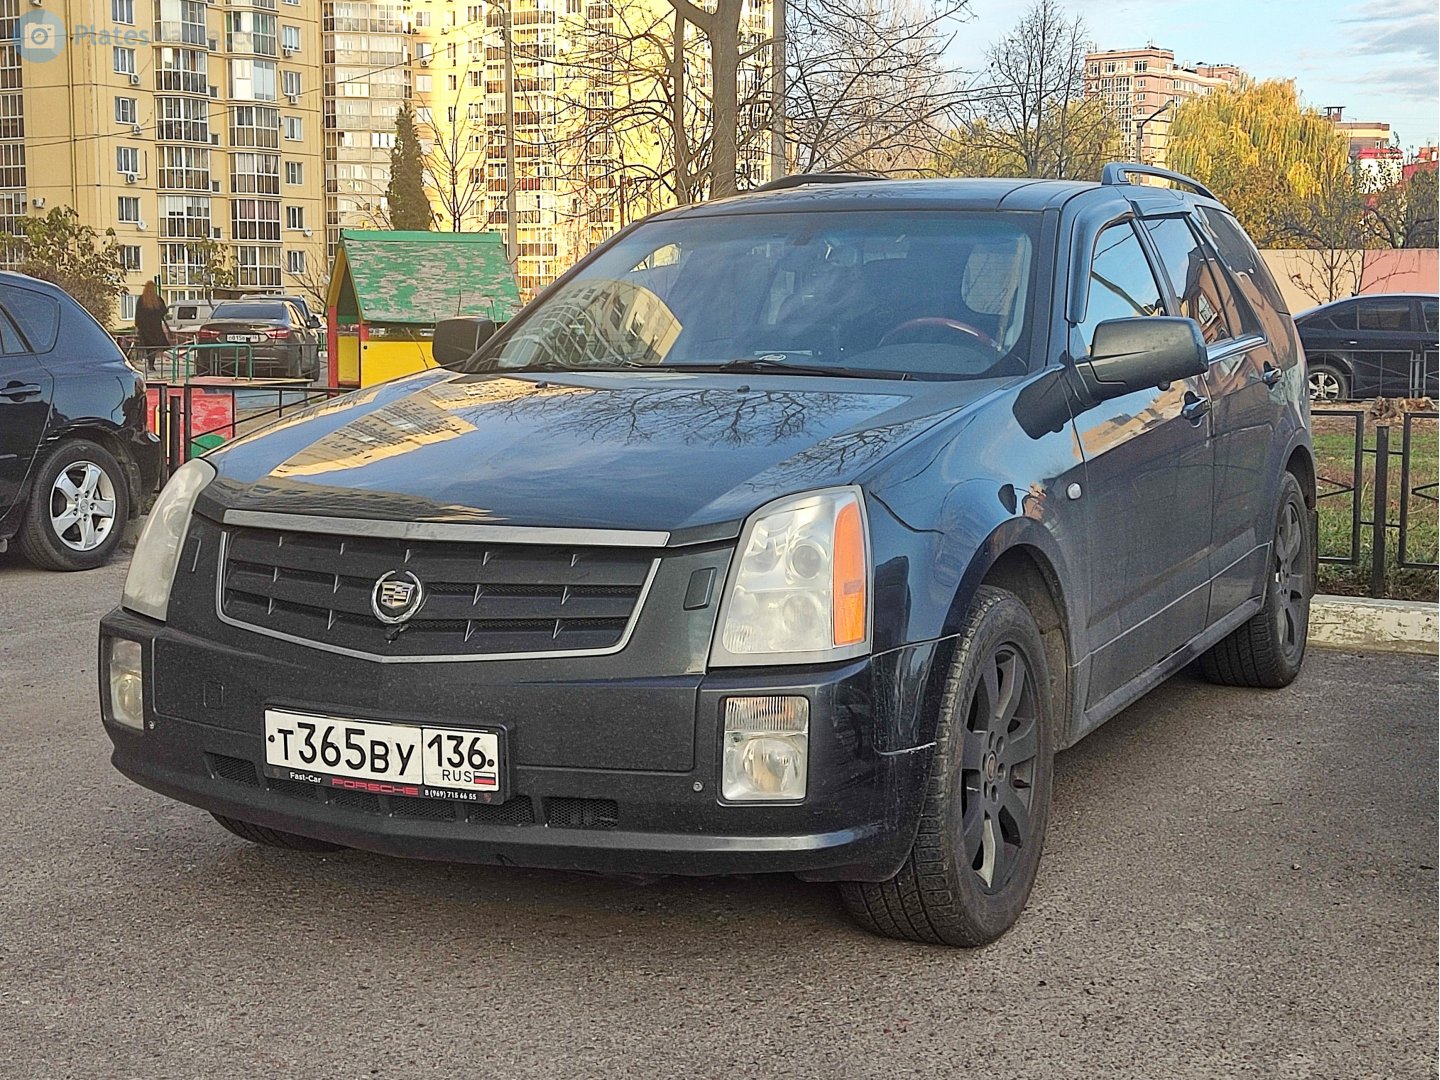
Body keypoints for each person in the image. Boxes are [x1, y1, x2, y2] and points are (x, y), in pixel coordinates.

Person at [133, 281, 170, 369]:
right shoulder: (158, 300)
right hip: (156, 328)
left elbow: (138, 314)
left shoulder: (141, 300)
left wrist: (137, 325)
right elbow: (164, 311)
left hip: (144, 328)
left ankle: (150, 363)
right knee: (156, 345)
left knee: (148, 346)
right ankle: (151, 362)